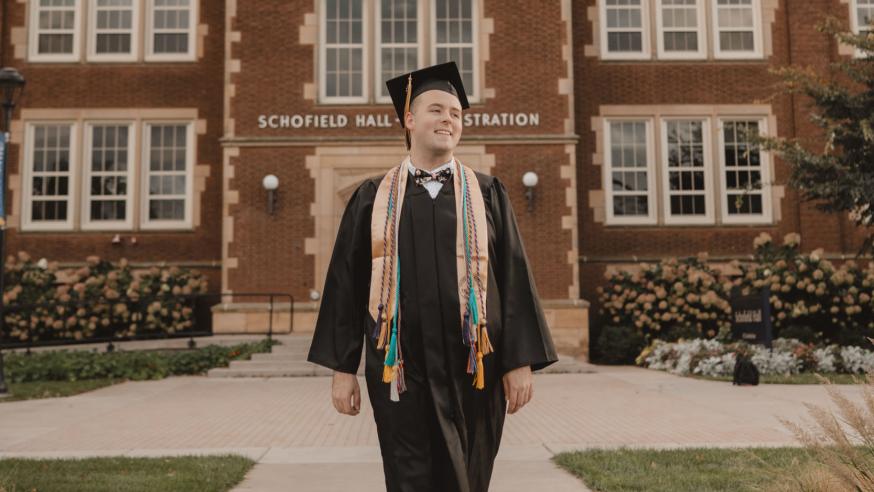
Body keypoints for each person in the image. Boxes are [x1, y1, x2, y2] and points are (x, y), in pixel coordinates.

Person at [307, 61, 557, 492]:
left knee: (470, 474)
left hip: (475, 365)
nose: (448, 120)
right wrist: (342, 368)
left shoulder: (486, 193)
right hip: (401, 368)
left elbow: (514, 277)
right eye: (436, 110)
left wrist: (520, 361)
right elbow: (345, 287)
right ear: (409, 119)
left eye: (456, 113)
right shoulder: (373, 199)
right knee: (408, 476)